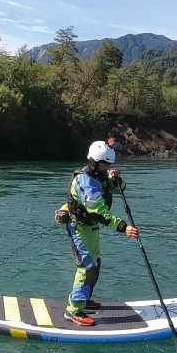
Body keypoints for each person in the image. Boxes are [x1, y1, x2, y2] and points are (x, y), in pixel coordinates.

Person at [58, 139, 139, 326]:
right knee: (87, 267)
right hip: (80, 228)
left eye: (108, 165)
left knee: (95, 264)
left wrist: (115, 180)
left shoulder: (100, 174)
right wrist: (123, 227)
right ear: (93, 161)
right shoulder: (84, 180)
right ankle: (73, 310)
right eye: (104, 164)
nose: (106, 167)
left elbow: (118, 189)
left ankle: (84, 300)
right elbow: (99, 211)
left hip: (91, 227)